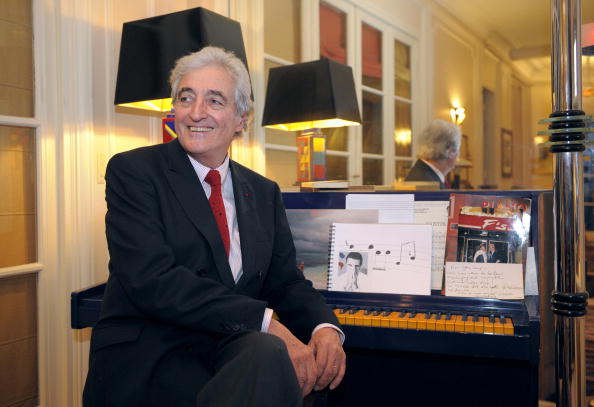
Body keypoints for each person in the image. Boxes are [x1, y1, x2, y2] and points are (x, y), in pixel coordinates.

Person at [83, 46, 345, 407]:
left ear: (241, 119)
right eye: (185, 97)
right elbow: (153, 280)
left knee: (293, 364)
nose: (195, 112)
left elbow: (284, 281)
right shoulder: (135, 172)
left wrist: (325, 328)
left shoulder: (264, 191)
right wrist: (268, 323)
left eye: (215, 100)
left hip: (231, 350)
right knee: (269, 354)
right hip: (155, 353)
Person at [405, 119, 461, 189]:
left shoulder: (425, 174)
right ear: (450, 152)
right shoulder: (429, 184)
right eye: (458, 150)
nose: (458, 155)